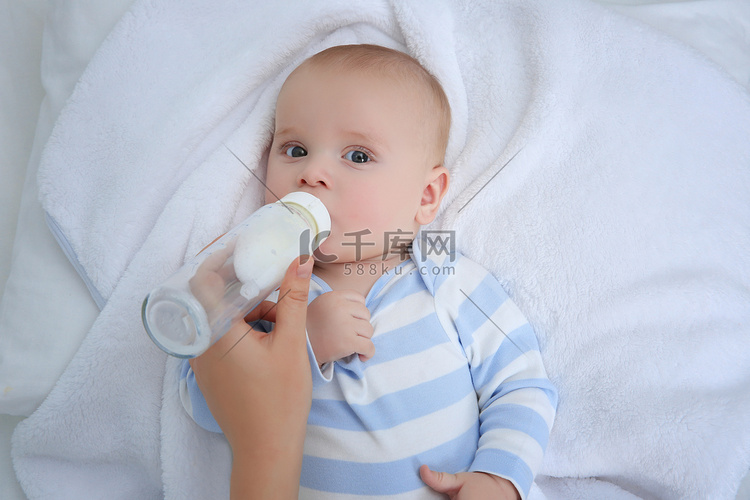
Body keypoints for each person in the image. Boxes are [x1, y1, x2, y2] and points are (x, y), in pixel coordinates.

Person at [186, 44, 557, 499]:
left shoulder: (445, 274)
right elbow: (208, 404)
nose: (312, 172)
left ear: (426, 196)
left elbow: (521, 380)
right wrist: (304, 343)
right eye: (294, 148)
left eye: (358, 156)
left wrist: (499, 478)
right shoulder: (257, 286)